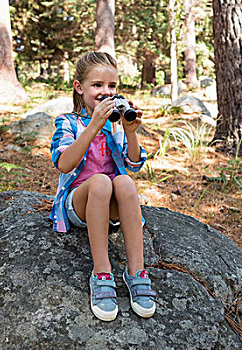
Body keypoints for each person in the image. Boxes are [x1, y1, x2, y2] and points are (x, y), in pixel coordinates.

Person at [49, 51, 156, 322]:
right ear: (79, 88)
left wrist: (131, 133)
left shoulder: (115, 126)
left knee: (124, 182)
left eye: (112, 86)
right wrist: (93, 125)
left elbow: (133, 164)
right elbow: (64, 164)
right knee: (99, 181)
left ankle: (136, 272)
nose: (105, 92)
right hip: (81, 203)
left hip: (111, 207)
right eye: (97, 85)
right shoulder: (68, 122)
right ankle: (102, 272)